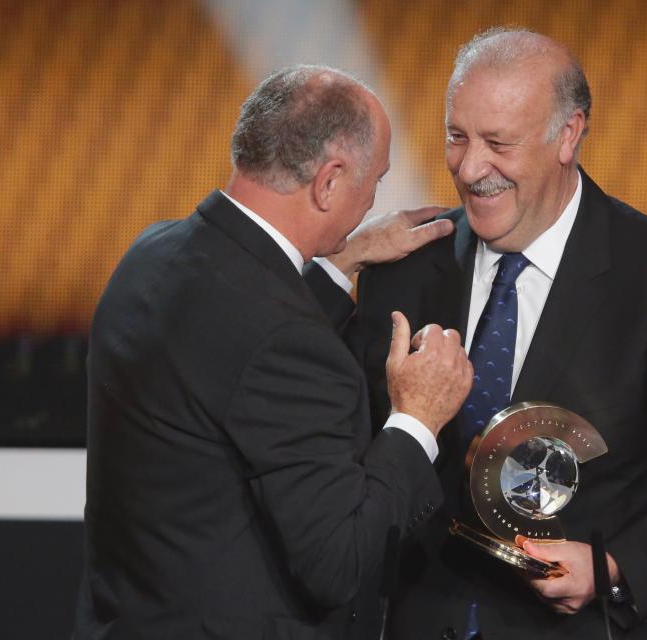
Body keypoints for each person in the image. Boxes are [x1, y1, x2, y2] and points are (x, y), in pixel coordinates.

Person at [313, 28, 647, 638]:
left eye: (499, 143)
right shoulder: (405, 265)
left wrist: (611, 567)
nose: (471, 168)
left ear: (568, 135)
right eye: (457, 136)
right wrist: (338, 266)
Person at [73, 65, 473, 640]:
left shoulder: (151, 255)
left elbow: (231, 346)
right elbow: (339, 561)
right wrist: (417, 418)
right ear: (329, 181)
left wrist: (337, 262)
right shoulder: (284, 341)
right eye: (375, 182)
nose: (372, 201)